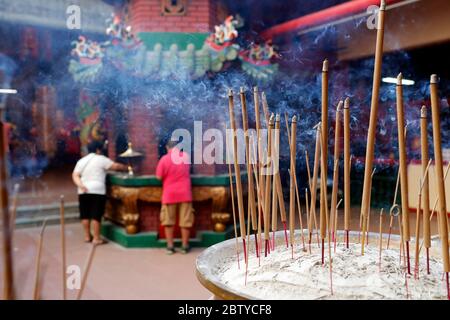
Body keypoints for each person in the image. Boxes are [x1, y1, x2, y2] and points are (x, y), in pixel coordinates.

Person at [72, 140, 126, 244]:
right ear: (98, 149)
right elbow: (115, 166)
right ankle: (96, 238)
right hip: (97, 190)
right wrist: (127, 167)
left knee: (85, 214)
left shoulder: (82, 161)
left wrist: (81, 185)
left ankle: (87, 236)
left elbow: (75, 175)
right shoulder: (101, 159)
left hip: (83, 190)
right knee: (96, 214)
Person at [156, 140, 193, 254]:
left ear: (168, 147)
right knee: (186, 220)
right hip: (185, 192)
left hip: (169, 193)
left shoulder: (164, 159)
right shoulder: (186, 157)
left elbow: (158, 177)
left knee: (168, 220)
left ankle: (170, 246)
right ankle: (185, 246)